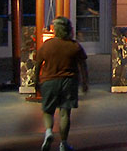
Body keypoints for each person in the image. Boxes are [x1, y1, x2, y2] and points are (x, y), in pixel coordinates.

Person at [34, 16, 88, 151]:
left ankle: (48, 132)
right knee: (65, 113)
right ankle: (63, 143)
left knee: (48, 110)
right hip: (69, 81)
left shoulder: (47, 45)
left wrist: (36, 81)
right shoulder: (75, 46)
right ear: (69, 29)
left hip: (49, 80)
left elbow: (38, 64)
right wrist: (85, 82)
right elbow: (83, 65)